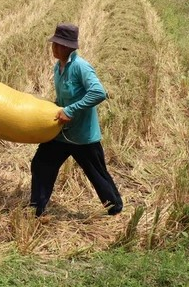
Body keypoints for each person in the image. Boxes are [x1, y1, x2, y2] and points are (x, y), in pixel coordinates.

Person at [30, 23, 123, 217]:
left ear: (67, 47)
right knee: (41, 164)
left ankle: (115, 208)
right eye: (53, 44)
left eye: (57, 44)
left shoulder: (81, 67)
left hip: (82, 136)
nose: (53, 48)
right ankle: (36, 208)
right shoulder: (58, 67)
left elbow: (98, 93)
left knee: (97, 173)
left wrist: (71, 109)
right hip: (61, 133)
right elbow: (63, 99)